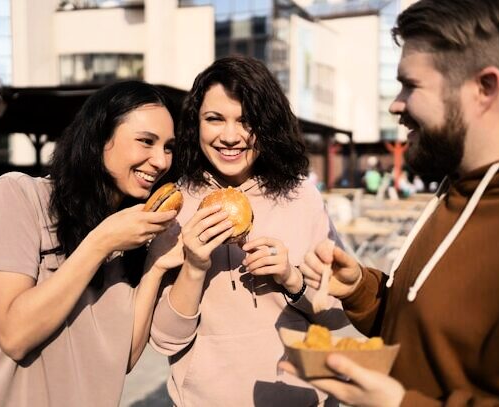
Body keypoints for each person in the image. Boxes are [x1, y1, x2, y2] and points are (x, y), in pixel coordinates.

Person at [282, 0, 499, 405]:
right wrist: (362, 291)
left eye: (411, 85)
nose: (395, 104)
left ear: (484, 88)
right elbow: (426, 333)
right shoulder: (457, 188)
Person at [0, 81, 183, 406]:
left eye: (169, 147)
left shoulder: (134, 235)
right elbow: (15, 336)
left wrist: (155, 264)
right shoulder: (19, 196)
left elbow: (123, 359)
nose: (161, 161)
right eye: (146, 141)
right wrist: (101, 242)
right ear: (100, 138)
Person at [147, 55, 348, 406]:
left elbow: (339, 315)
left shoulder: (301, 196)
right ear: (196, 125)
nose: (230, 136)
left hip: (303, 398)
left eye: (246, 121)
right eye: (214, 119)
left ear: (268, 125)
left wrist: (292, 279)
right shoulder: (176, 206)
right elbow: (164, 340)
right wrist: (194, 267)